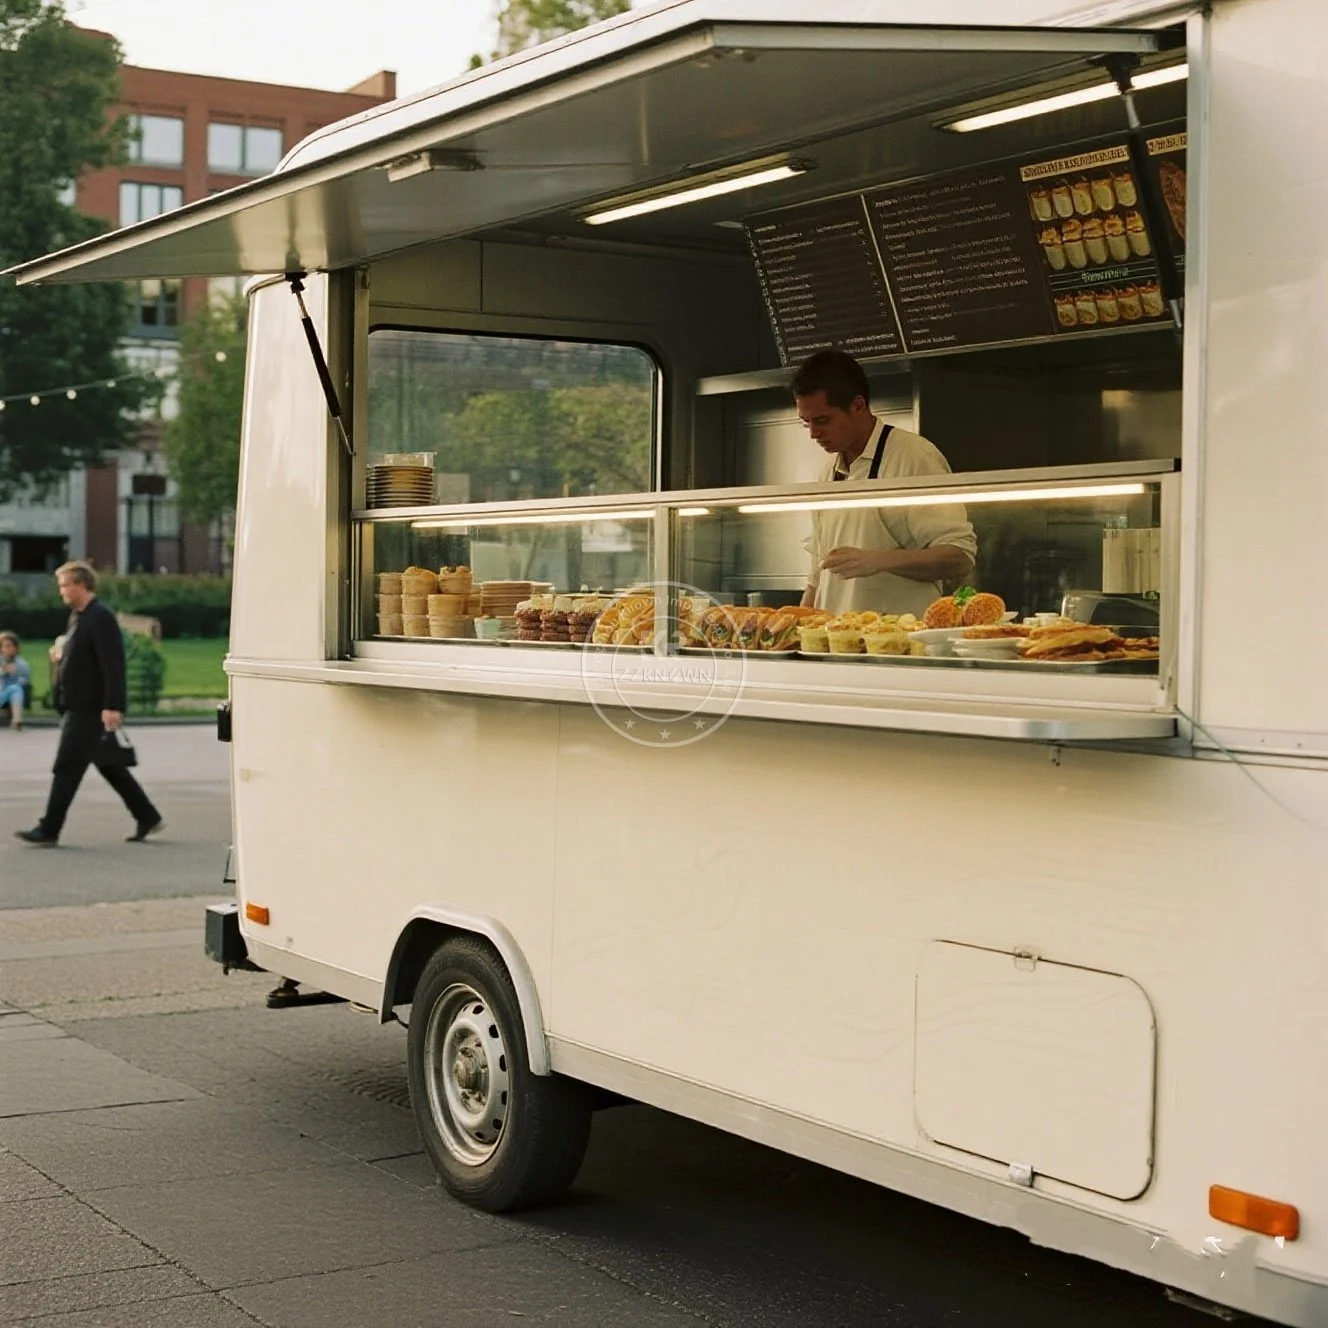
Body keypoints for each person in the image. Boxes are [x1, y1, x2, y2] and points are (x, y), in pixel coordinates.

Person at [794, 351, 977, 618]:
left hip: (900, 639)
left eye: (823, 421)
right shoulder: (827, 473)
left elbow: (959, 557)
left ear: (858, 406)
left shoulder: (913, 456)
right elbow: (818, 575)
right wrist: (797, 625)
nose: (813, 433)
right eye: (806, 423)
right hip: (834, 637)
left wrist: (878, 560)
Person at [14, 561, 163, 847]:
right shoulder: (79, 617)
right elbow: (84, 657)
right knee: (109, 765)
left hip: (89, 708)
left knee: (66, 767)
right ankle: (147, 816)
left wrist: (113, 706)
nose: (61, 591)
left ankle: (49, 829)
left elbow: (113, 665)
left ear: (81, 585)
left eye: (65, 585)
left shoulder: (100, 617)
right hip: (78, 704)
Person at [0, 631, 31, 731]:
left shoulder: (21, 664)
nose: (8, 649)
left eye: (11, 646)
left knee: (16, 689)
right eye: (5, 646)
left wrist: (15, 675)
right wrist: (2, 672)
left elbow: (26, 679)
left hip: (7, 692)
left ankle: (17, 721)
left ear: (15, 648)